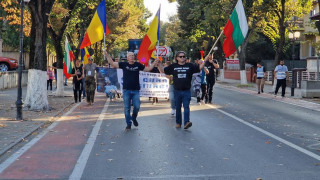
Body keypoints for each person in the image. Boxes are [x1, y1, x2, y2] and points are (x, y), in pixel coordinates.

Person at [105, 51, 159, 131]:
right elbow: (112, 64)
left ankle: (134, 118)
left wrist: (154, 63)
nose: (132, 57)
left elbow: (148, 69)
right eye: (130, 56)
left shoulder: (138, 65)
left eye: (133, 55)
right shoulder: (123, 64)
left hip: (135, 90)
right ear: (127, 58)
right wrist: (107, 55)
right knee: (127, 108)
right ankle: (128, 124)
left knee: (137, 106)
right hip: (126, 90)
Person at [158, 51, 206, 129]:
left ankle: (187, 122)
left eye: (184, 56)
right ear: (177, 58)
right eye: (180, 56)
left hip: (186, 90)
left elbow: (199, 68)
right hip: (177, 90)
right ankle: (178, 123)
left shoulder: (190, 65)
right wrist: (159, 64)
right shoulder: (173, 66)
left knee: (186, 106)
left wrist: (204, 61)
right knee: (178, 107)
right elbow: (164, 70)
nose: (182, 58)